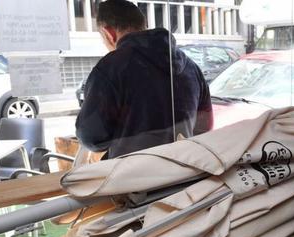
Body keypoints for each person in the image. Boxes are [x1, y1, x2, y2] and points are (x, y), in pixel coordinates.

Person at [76, 0, 213, 159]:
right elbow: (204, 127)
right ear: (143, 25)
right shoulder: (191, 67)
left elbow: (91, 137)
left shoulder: (110, 68)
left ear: (109, 34)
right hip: (183, 170)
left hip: (133, 177)